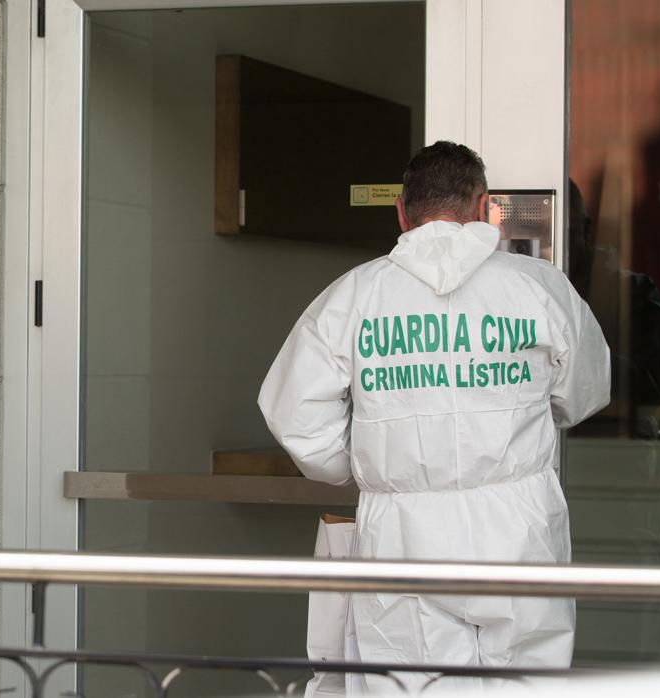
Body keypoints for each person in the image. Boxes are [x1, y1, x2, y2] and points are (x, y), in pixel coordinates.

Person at [258, 142, 611, 690]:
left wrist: (357, 465)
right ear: (483, 205)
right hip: (517, 525)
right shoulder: (539, 288)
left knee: (409, 682)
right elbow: (584, 392)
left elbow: (294, 413)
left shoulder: (355, 295)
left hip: (402, 531)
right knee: (528, 682)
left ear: (402, 211)